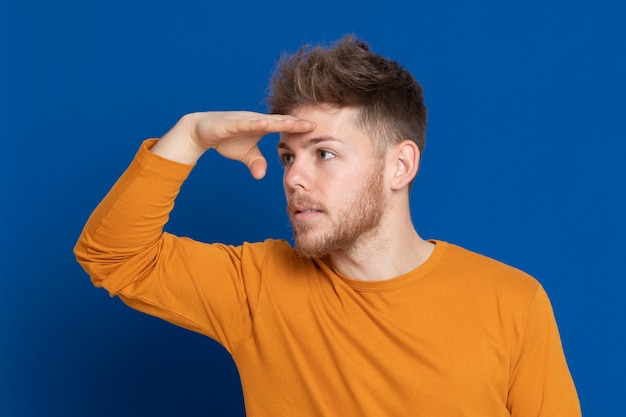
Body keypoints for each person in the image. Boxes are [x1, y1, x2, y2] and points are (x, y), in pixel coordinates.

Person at [74, 35, 580, 416]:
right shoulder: (258, 286)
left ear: (399, 166)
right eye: (288, 156)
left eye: (324, 154)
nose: (294, 177)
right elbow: (113, 254)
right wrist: (189, 136)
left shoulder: (513, 302)